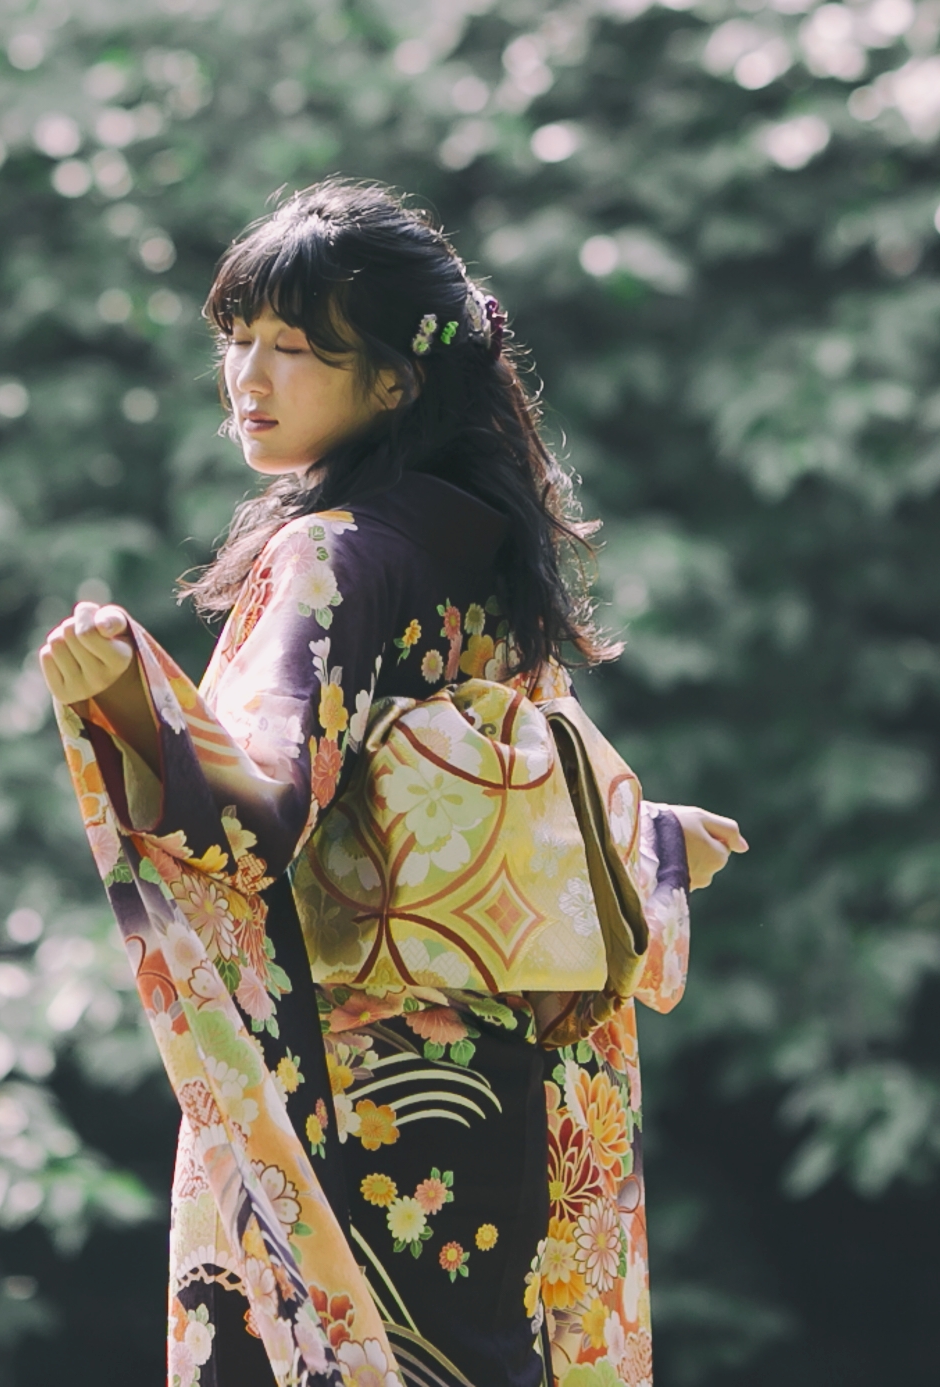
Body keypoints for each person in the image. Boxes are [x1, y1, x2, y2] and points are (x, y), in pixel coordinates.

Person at [37, 181, 744, 1387]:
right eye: (238, 339)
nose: (249, 378)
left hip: (352, 1084)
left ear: (391, 384)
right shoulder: (483, 555)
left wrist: (128, 702)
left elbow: (254, 829)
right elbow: (497, 803)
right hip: (493, 1081)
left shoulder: (330, 556)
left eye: (298, 350)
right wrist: (648, 844)